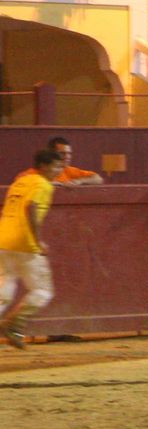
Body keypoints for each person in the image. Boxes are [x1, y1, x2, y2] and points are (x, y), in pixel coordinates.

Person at [0, 149, 63, 349]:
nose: (58, 171)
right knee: (42, 290)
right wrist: (38, 241)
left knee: (4, 288)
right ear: (43, 166)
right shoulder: (43, 184)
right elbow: (31, 207)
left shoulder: (20, 181)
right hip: (25, 243)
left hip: (3, 239)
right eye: (56, 166)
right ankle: (14, 324)